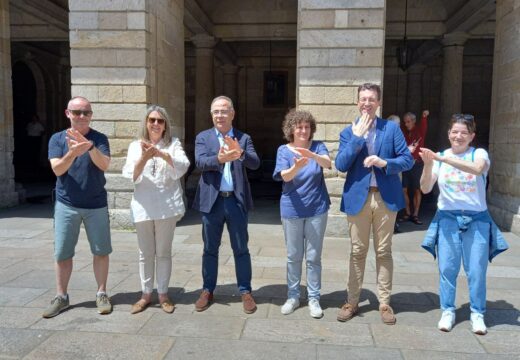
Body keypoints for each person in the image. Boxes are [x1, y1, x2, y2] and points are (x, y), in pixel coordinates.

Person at [419, 114, 508, 335]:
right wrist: (428, 164)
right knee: (447, 269)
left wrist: (442, 160)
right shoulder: (440, 157)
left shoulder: (478, 153)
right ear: (449, 133)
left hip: (476, 220)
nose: (458, 136)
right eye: (455, 132)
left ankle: (477, 313)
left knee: (476, 270)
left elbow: (477, 169)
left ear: (471, 136)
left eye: (464, 132)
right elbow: (425, 188)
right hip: (448, 218)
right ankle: (447, 310)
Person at [335, 83, 414, 325]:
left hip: (384, 197)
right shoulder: (349, 132)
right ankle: (352, 301)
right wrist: (357, 138)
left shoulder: (391, 129)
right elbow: (341, 164)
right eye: (363, 99)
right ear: (357, 102)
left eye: (371, 99)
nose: (366, 103)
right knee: (357, 251)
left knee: (383, 251)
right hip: (358, 198)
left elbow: (407, 160)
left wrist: (383, 162)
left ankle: (384, 302)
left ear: (378, 102)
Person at [43, 96, 112, 318]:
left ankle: (101, 293)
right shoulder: (57, 139)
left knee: (101, 251)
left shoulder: (99, 138)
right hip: (67, 204)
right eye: (77, 112)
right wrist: (73, 152)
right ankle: (61, 296)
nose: (81, 116)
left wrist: (89, 147)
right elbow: (57, 170)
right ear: (68, 113)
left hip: (96, 204)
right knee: (63, 253)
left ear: (91, 115)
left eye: (86, 112)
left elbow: (104, 165)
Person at [192, 95, 260, 314]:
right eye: (216, 112)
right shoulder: (203, 137)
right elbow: (200, 162)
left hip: (235, 201)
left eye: (224, 111)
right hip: (212, 202)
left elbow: (255, 163)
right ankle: (207, 290)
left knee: (241, 248)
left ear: (232, 113)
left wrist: (239, 152)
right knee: (209, 249)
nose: (219, 115)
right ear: (211, 115)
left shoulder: (243, 137)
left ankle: (245, 291)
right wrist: (220, 159)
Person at [122, 105, 190, 314]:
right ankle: (145, 294)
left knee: (163, 252)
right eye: (152, 120)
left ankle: (162, 293)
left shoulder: (173, 144)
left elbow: (183, 165)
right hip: (143, 206)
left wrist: (161, 154)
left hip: (166, 206)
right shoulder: (135, 146)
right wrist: (144, 157)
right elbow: (130, 175)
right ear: (146, 122)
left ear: (165, 125)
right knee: (145, 253)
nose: (155, 124)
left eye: (160, 121)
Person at [273, 109, 331, 318]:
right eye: (299, 127)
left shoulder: (318, 146)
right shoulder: (284, 151)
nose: (303, 130)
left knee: (314, 257)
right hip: (292, 209)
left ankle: (314, 298)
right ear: (292, 129)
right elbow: (285, 177)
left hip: (317, 208)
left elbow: (328, 163)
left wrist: (311, 155)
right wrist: (296, 166)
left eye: (307, 127)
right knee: (293, 256)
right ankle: (293, 296)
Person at [400, 110, 429, 224]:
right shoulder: (403, 131)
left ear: (413, 121)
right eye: (405, 122)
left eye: (408, 122)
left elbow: (424, 121)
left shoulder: (420, 130)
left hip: (417, 164)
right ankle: (407, 213)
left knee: (418, 189)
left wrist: (424, 115)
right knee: (404, 189)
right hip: (406, 164)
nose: (406, 124)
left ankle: (415, 214)